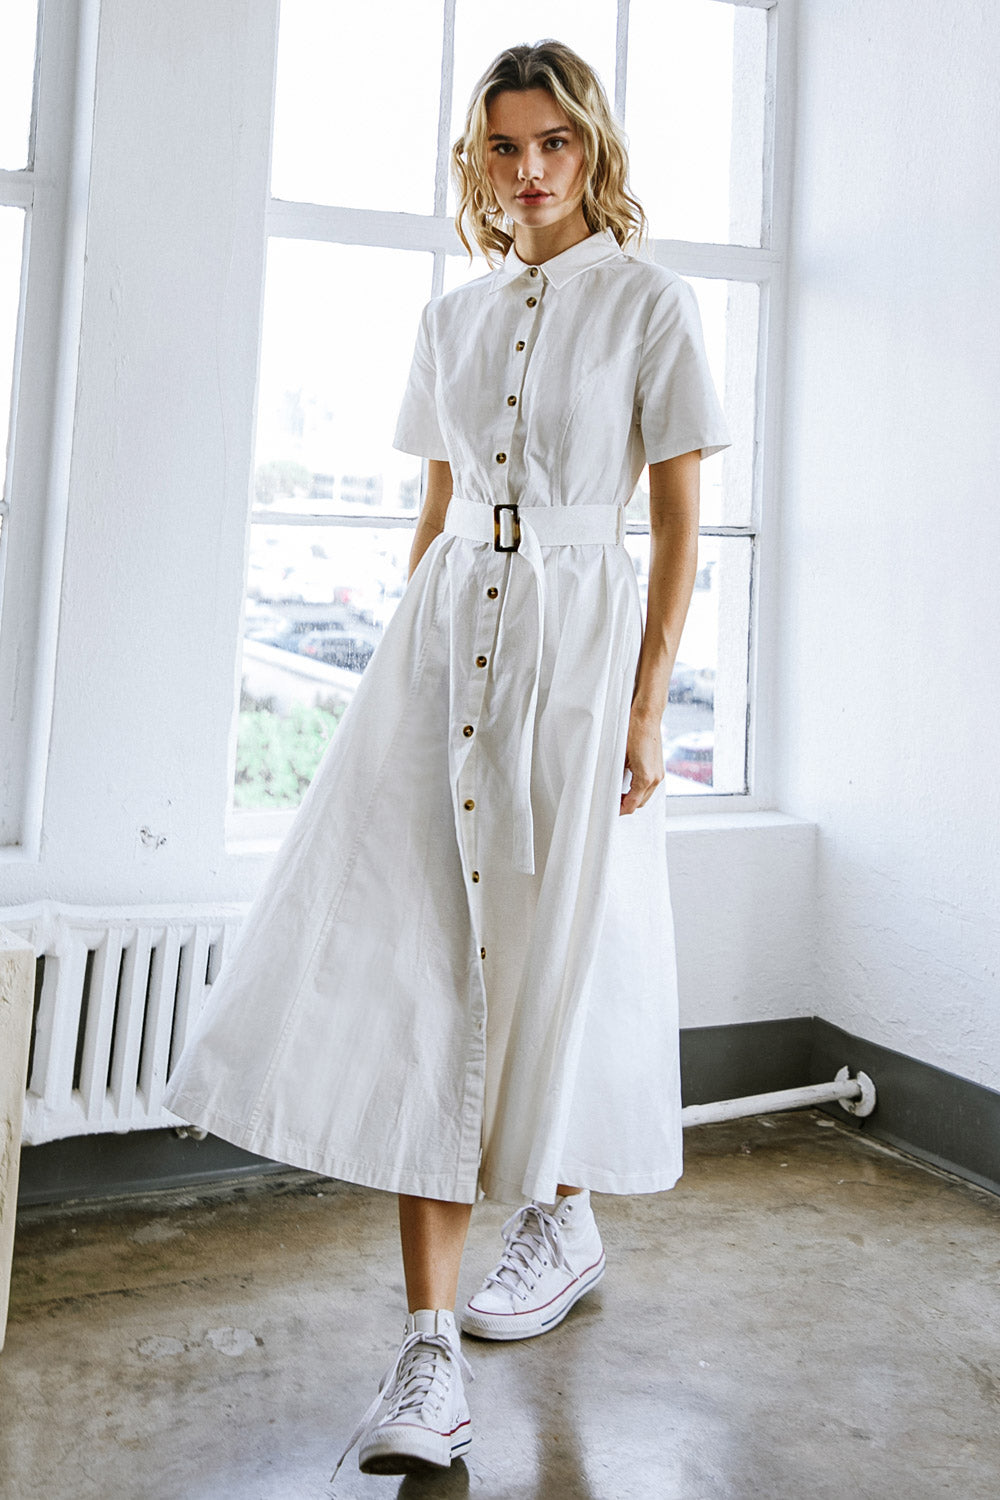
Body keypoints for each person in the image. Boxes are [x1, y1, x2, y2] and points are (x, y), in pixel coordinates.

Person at [164, 37, 729, 1481]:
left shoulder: (651, 307)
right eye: (502, 146)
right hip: (442, 650)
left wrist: (651, 702)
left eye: (552, 142)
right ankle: (426, 1350)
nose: (528, 168)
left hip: (581, 652)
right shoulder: (451, 320)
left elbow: (675, 533)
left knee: (553, 966)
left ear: (590, 148)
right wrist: (389, 684)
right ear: (475, 162)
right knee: (423, 970)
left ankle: (562, 1211)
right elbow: (433, 518)